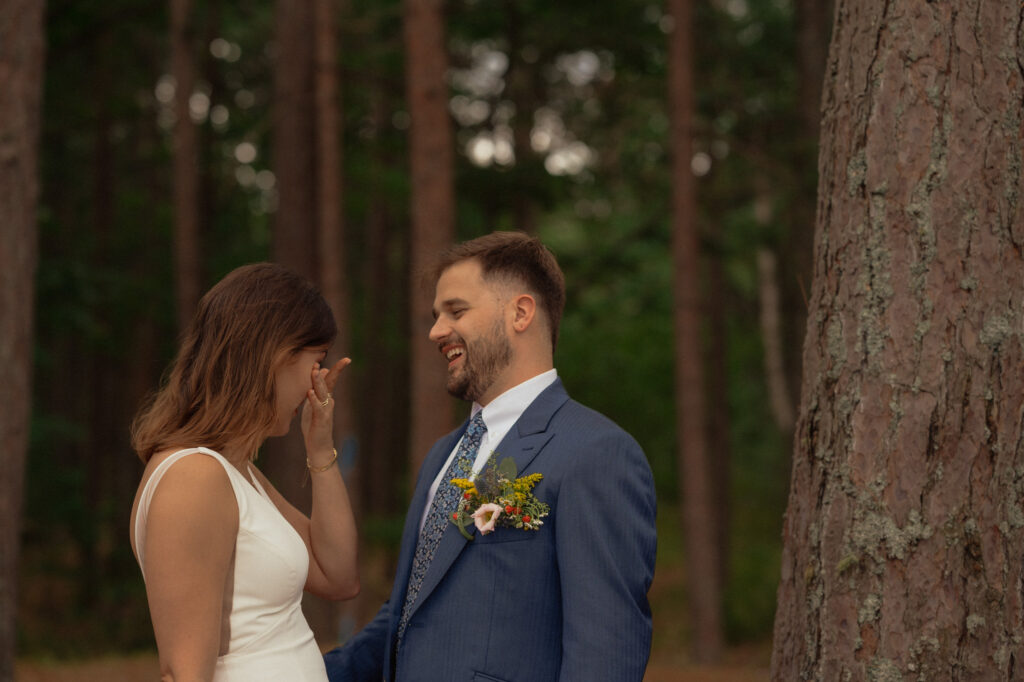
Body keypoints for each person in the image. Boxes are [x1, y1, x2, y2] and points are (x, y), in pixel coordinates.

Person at [324, 232, 656, 682]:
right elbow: (408, 617)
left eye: (456, 311)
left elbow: (606, 651)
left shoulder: (596, 453)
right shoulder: (443, 456)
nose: (436, 331)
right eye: (436, 315)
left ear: (520, 312)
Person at [129, 262, 359, 682]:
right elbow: (184, 674)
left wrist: (320, 447)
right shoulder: (193, 477)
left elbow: (338, 576)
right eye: (316, 359)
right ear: (275, 354)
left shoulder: (236, 470)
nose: (318, 381)